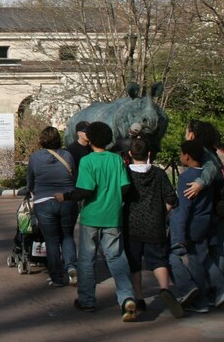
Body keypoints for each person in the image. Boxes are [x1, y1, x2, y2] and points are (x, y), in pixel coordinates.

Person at [55, 121, 138, 322]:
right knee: (116, 257)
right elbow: (125, 187)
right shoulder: (117, 160)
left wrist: (65, 197)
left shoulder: (87, 161)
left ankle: (87, 300)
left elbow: (86, 190)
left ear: (89, 139)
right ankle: (126, 296)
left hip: (91, 216)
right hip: (113, 215)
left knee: (86, 259)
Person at [171, 139, 224, 313]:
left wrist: (180, 232)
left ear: (187, 156)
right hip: (206, 220)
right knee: (203, 258)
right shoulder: (208, 177)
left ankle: (202, 300)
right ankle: (221, 286)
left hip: (193, 224)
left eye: (181, 154)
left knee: (196, 262)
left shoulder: (186, 177)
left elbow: (184, 209)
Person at [183, 119, 224, 283]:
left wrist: (200, 183)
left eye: (187, 131)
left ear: (192, 134)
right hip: (222, 203)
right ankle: (219, 285)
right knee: (218, 246)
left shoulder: (203, 153)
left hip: (211, 205)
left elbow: (210, 169)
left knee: (205, 247)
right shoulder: (215, 151)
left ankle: (215, 285)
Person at [123, 137, 182, 317]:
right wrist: (161, 212)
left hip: (131, 225)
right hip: (155, 225)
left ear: (130, 154)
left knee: (134, 264)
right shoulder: (158, 173)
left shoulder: (125, 173)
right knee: (159, 260)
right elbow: (172, 198)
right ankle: (165, 289)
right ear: (149, 154)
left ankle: (139, 298)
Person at [26, 126, 77, 287]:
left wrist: (32, 191)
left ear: (42, 140)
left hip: (44, 201)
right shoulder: (67, 155)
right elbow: (74, 176)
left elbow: (30, 181)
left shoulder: (35, 157)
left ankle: (56, 277)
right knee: (67, 235)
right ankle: (71, 267)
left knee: (52, 240)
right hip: (67, 199)